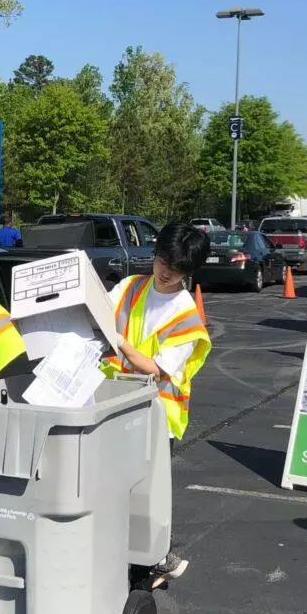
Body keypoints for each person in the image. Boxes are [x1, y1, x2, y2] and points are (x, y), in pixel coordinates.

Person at [101, 220, 212, 585]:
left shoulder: (186, 318)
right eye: (162, 261)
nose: (165, 273)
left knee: (145, 494)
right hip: (113, 405)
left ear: (188, 272)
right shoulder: (131, 287)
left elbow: (157, 368)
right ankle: (126, 558)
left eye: (175, 269)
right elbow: (101, 312)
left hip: (157, 416)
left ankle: (152, 561)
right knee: (115, 488)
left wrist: (121, 343)